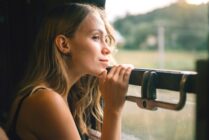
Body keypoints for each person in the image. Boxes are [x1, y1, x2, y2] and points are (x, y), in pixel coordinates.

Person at [6, 3, 133, 140]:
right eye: (96, 37)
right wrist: (113, 109)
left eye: (106, 39)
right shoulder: (46, 100)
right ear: (64, 45)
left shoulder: (67, 97)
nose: (107, 49)